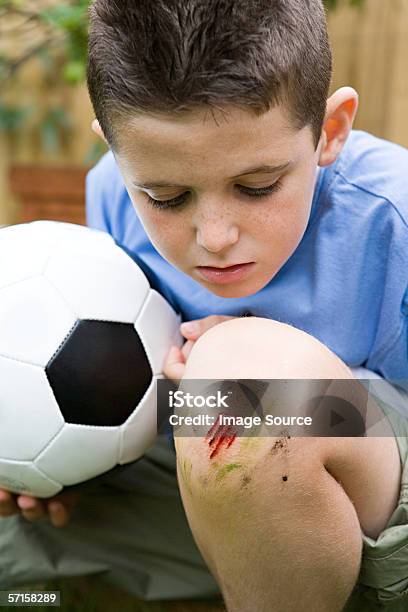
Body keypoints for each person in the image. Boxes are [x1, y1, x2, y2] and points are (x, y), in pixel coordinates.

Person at [1, 0, 407, 609]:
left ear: (331, 132)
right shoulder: (112, 193)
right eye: (166, 197)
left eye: (257, 187)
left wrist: (257, 359)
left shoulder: (391, 220)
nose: (214, 236)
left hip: (380, 511)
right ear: (113, 151)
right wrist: (51, 455)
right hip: (226, 495)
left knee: (243, 383)